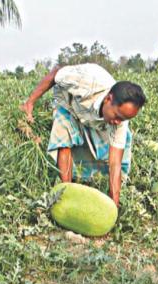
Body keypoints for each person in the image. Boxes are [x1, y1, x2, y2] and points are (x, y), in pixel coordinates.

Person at [20, 63, 146, 207]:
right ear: (108, 99)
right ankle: (66, 192)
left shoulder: (120, 121)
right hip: (69, 104)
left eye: (123, 119)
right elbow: (55, 74)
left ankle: (86, 181)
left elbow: (115, 163)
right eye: (117, 116)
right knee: (64, 131)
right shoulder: (85, 82)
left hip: (92, 117)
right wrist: (30, 103)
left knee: (112, 147)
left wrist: (114, 205)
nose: (118, 122)